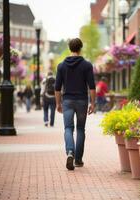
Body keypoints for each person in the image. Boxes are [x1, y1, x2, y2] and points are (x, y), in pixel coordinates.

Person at [55, 38, 96, 170]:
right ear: (80, 48)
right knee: (80, 129)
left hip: (67, 101)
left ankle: (70, 152)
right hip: (82, 101)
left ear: (70, 48)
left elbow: (57, 87)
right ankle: (78, 160)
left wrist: (58, 104)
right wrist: (93, 103)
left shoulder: (61, 66)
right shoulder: (87, 65)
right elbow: (92, 87)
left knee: (68, 128)